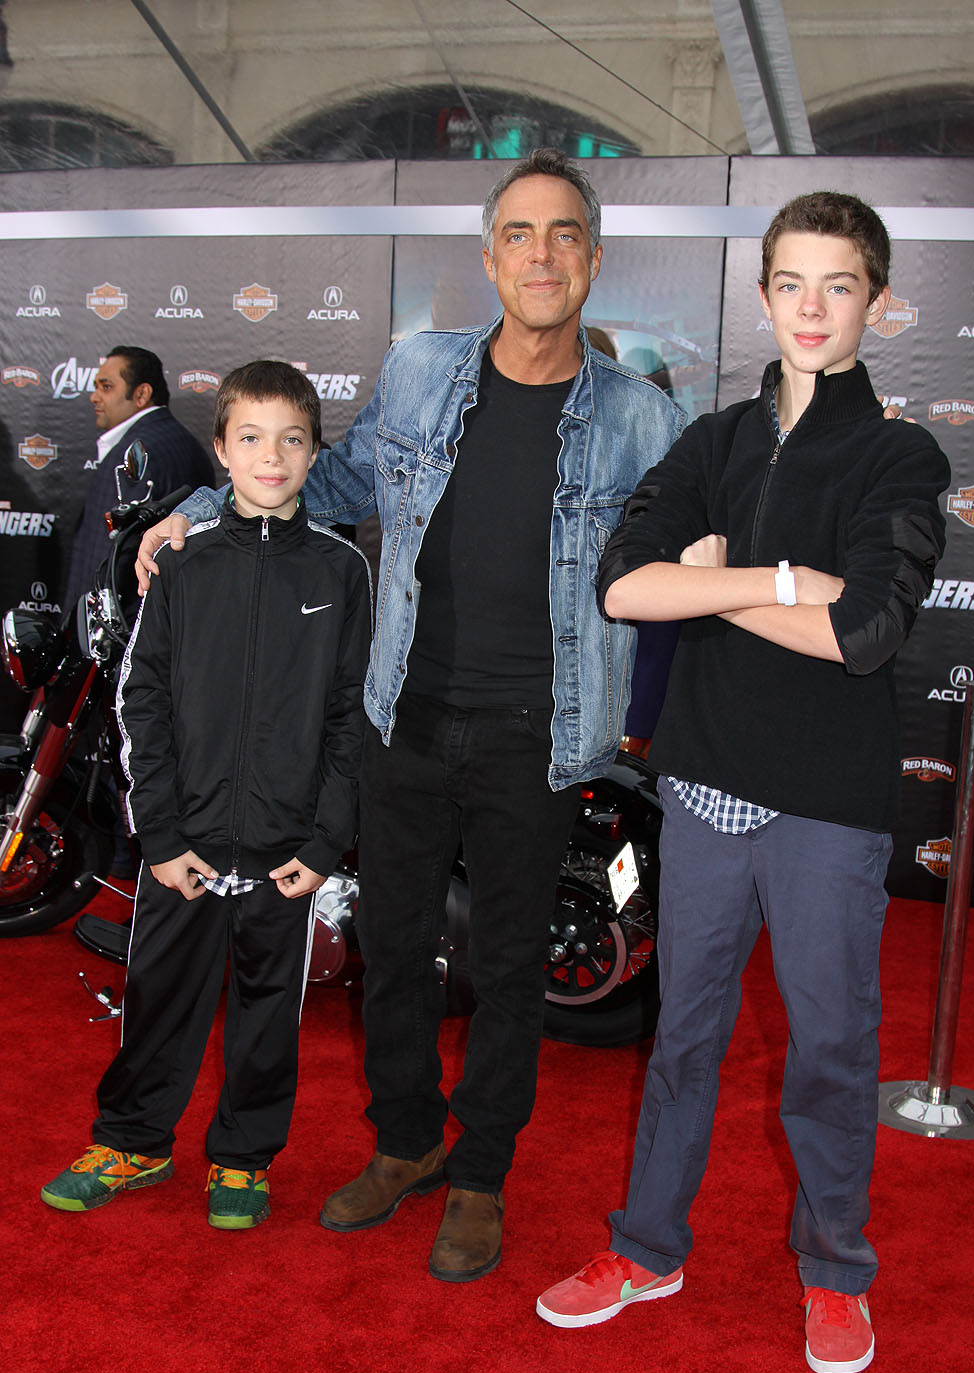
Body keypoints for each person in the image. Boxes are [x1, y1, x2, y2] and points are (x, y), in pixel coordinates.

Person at [134, 148, 687, 1280]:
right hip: (403, 719)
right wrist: (197, 504)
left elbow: (687, 563)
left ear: (594, 259)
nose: (541, 255)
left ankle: (478, 1174)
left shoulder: (645, 422)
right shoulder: (423, 370)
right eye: (519, 234)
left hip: (537, 736)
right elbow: (331, 483)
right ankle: (404, 1144)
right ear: (490, 258)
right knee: (393, 953)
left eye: (564, 235)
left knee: (510, 970)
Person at [535, 191, 951, 1373]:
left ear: (874, 300)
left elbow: (864, 632)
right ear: (762, 293)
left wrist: (712, 582)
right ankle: (647, 1246)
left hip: (826, 804)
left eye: (838, 285)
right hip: (706, 788)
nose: (811, 309)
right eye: (790, 284)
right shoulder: (711, 442)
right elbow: (626, 585)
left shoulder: (900, 455)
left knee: (828, 1050)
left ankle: (835, 1271)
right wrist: (779, 583)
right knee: (682, 1038)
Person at [41, 361, 370, 1230]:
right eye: (251, 438)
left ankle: (244, 1158)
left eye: (292, 440)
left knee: (269, 1015)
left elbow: (353, 719)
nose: (272, 457)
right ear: (220, 450)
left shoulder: (341, 571)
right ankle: (132, 1142)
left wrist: (322, 843)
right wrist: (158, 835)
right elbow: (138, 700)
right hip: (180, 845)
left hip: (285, 853)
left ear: (315, 453)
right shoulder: (182, 560)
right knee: (158, 998)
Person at [62, 345, 215, 612]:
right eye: (96, 387)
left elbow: (107, 559)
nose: (94, 397)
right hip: (175, 614)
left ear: (142, 394)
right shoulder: (185, 443)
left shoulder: (133, 453)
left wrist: (82, 625)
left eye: (106, 387)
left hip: (126, 622)